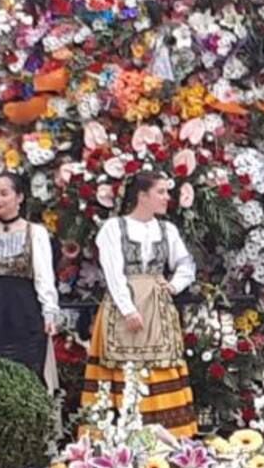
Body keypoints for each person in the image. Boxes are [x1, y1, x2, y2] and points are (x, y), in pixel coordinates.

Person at [81, 172, 198, 438]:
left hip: (157, 305)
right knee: (119, 367)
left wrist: (174, 285)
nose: (167, 197)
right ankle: (116, 436)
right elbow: (112, 271)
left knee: (160, 364)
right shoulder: (114, 228)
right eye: (161, 192)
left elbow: (185, 263)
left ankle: (169, 436)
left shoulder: (167, 230)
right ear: (142, 196)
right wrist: (127, 308)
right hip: (124, 305)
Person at [0, 173, 59, 382]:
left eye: (4, 193)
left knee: (23, 370)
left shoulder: (35, 232)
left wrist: (49, 311)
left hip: (22, 310)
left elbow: (44, 277)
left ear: (19, 197)